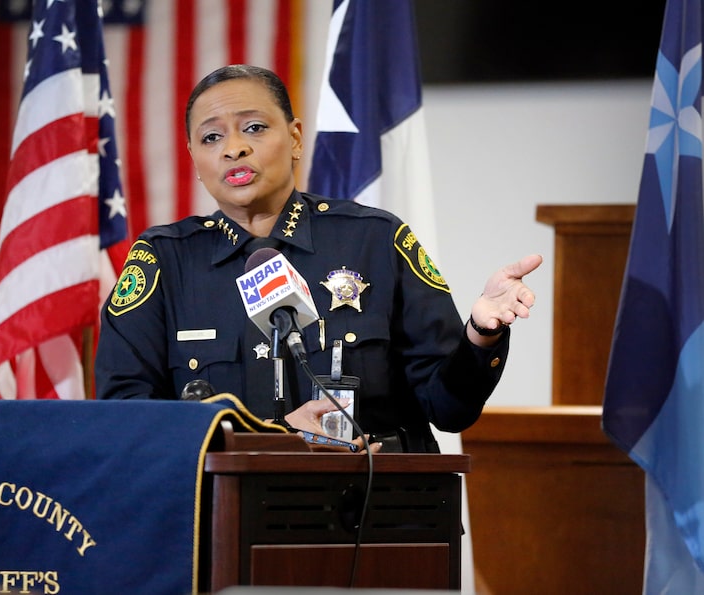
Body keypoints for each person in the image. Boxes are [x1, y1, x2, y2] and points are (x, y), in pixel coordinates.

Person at [94, 64, 542, 453]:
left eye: (253, 128)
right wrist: (269, 437)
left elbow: (449, 409)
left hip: (371, 515)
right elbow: (126, 417)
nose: (233, 148)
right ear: (195, 158)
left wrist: (481, 334)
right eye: (211, 137)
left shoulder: (375, 240)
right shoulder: (164, 262)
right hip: (222, 520)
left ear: (294, 138)